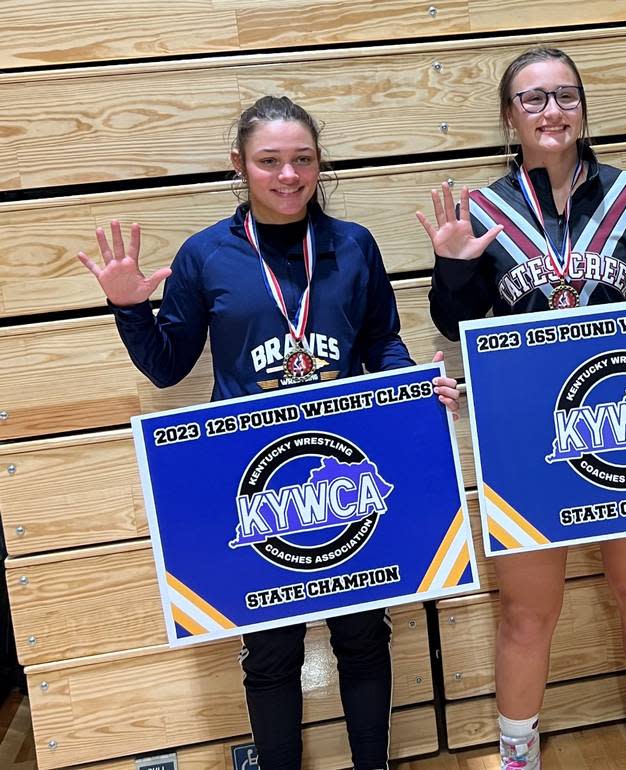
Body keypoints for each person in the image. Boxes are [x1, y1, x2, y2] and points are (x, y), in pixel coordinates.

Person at [77, 95, 461, 770]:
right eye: (270, 161)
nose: (289, 176)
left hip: (344, 472)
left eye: (303, 160)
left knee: (364, 636)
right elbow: (167, 369)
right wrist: (129, 308)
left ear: (320, 165)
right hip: (258, 486)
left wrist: (411, 389)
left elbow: (381, 343)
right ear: (240, 166)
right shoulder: (205, 255)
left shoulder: (353, 245)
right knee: (273, 654)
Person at [418, 46, 626, 770]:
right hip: (528, 442)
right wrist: (453, 265)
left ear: (583, 107)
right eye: (534, 99)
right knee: (526, 611)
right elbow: (455, 325)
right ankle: (517, 752)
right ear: (509, 117)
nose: (552, 111)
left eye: (565, 96)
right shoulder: (481, 212)